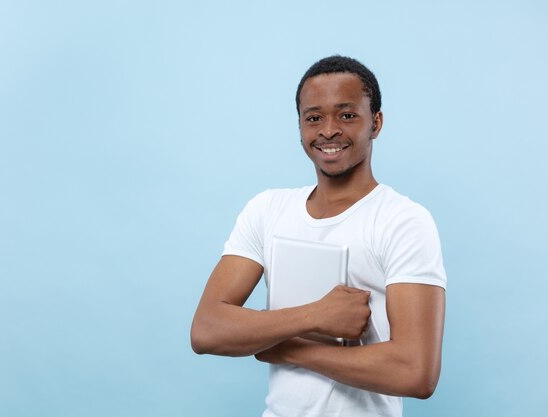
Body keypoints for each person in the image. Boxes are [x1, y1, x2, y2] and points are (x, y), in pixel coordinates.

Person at [191, 55, 446, 417]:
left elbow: (417, 371)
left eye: (346, 115)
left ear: (376, 123)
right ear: (299, 126)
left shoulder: (403, 220)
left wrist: (289, 348)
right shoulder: (267, 209)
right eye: (314, 117)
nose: (328, 130)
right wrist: (315, 316)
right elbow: (206, 329)